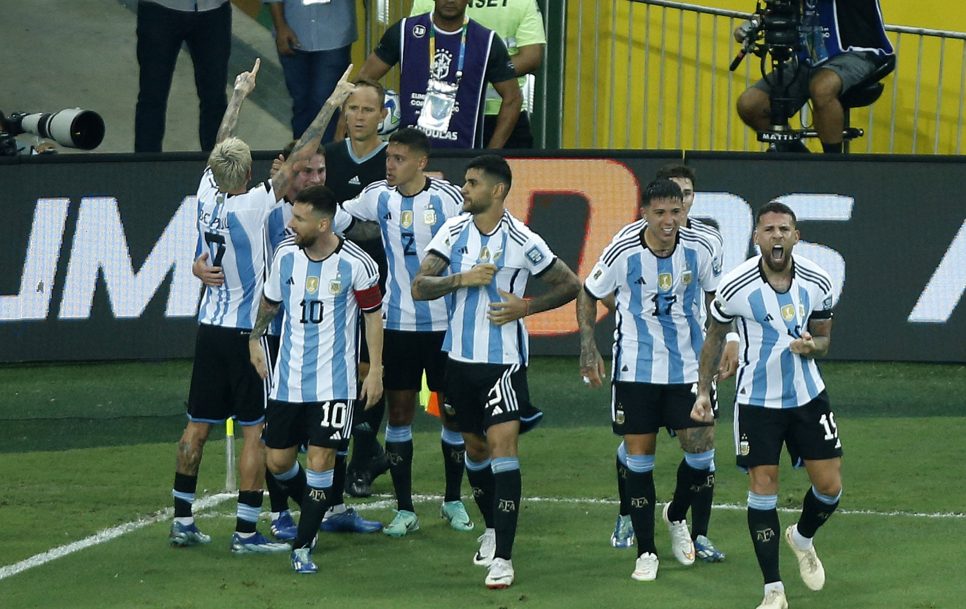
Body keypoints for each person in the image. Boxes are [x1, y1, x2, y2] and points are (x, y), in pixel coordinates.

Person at [171, 59, 354, 553]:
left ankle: (182, 519)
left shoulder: (204, 195)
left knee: (196, 426)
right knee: (255, 432)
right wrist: (333, 103)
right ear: (250, 172)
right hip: (247, 333)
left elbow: (217, 152)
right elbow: (301, 156)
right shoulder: (253, 205)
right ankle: (247, 531)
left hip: (208, 326)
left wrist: (238, 97)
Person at [412, 154, 581, 589]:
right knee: (475, 448)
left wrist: (528, 307)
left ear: (498, 190)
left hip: (504, 363)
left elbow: (569, 284)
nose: (464, 189)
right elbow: (419, 285)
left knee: (503, 447)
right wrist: (459, 280)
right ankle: (491, 528)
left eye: (471, 183)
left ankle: (504, 557)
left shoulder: (523, 239)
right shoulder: (453, 231)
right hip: (458, 361)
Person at [692, 201, 842, 609]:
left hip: (808, 396)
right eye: (769, 229)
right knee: (762, 489)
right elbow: (713, 337)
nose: (777, 235)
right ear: (756, 237)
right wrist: (703, 391)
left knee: (829, 488)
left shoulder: (819, 280)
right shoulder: (734, 286)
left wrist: (813, 346)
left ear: (797, 236)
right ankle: (773, 589)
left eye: (784, 229)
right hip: (756, 402)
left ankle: (802, 537)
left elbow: (825, 340)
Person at [577, 179, 722, 582]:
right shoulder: (623, 248)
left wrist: (727, 343)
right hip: (636, 369)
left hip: (691, 368)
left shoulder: (702, 247)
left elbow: (716, 300)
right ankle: (647, 552)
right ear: (644, 213)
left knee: (701, 455)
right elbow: (588, 293)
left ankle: (675, 514)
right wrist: (589, 346)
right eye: (659, 213)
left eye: (675, 212)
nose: (668, 221)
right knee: (640, 461)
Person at [332, 127, 470, 537]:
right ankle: (405, 508)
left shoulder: (448, 200)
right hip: (398, 323)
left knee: (452, 415)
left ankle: (453, 500)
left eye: (398, 159)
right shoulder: (379, 195)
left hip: (445, 324)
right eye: (388, 157)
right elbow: (342, 216)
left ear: (421, 162)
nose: (389, 165)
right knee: (400, 414)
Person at [248, 184, 384, 574]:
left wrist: (375, 369)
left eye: (300, 218)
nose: (291, 224)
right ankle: (320, 505)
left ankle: (303, 547)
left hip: (334, 385)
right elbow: (270, 303)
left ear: (324, 224)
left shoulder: (357, 263)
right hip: (287, 381)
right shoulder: (285, 256)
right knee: (277, 462)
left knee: (322, 458)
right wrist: (255, 339)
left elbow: (373, 316)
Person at [323, 80, 393, 499]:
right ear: (344, 113)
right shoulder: (328, 159)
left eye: (369, 109)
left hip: (383, 284)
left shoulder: (394, 160)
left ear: (383, 115)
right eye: (353, 108)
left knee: (370, 371)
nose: (360, 116)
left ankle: (362, 460)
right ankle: (349, 456)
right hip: (335, 283)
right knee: (340, 374)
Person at [356, 0, 522, 149]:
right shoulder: (405, 31)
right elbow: (362, 81)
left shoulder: (486, 41)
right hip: (407, 156)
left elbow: (513, 98)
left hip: (462, 157)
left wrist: (491, 153)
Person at [735, 0, 894, 153]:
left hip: (856, 52)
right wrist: (753, 25)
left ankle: (832, 167)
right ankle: (799, 158)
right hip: (811, 58)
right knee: (750, 105)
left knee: (822, 88)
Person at [410, 0, 546, 148]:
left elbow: (532, 58)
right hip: (442, 110)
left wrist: (476, 73)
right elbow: (414, 44)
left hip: (502, 113)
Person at [134, 0, 231, 152]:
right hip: (160, 9)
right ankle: (146, 168)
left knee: (215, 99)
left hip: (213, 10)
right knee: (152, 97)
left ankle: (218, 169)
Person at [265, 0, 356, 141]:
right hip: (294, 31)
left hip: (335, 35)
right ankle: (299, 158)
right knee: (301, 103)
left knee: (326, 103)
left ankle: (325, 158)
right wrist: (280, 26)